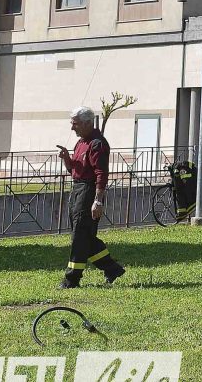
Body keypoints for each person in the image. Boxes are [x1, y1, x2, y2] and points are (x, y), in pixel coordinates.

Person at [57, 107, 126, 289]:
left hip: (89, 192)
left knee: (79, 236)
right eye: (72, 124)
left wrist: (98, 200)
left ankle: (72, 279)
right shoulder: (80, 143)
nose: (72, 128)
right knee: (84, 235)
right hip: (77, 189)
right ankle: (112, 269)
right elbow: (74, 170)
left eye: (75, 124)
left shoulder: (97, 144)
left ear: (88, 123)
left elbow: (101, 174)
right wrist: (66, 159)